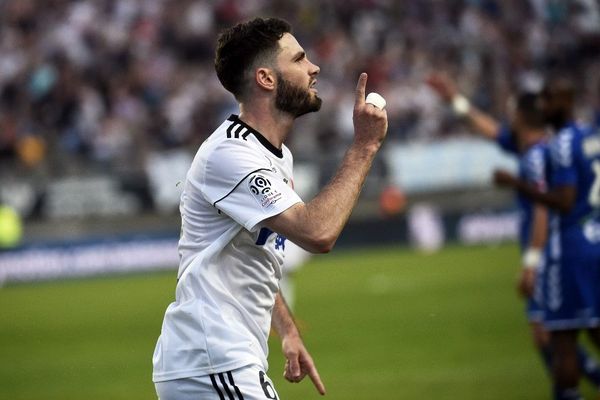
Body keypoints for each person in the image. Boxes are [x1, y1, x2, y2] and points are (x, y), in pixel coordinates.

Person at [152, 17, 388, 400]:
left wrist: (288, 330)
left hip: (216, 361)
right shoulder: (231, 154)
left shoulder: (273, 156)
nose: (314, 68)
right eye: (299, 59)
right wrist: (364, 147)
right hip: (212, 360)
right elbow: (317, 233)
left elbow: (257, 253)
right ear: (266, 79)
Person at [427, 74, 600, 397]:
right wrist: (455, 100)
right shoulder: (540, 147)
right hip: (579, 248)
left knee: (554, 334)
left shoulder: (536, 157)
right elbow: (488, 129)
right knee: (570, 330)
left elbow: (543, 211)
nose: (507, 119)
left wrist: (533, 262)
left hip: (557, 257)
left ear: (521, 117)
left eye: (512, 113)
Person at [494, 78, 600, 400]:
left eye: (550, 98)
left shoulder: (559, 145)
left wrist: (516, 184)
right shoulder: (587, 136)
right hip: (594, 236)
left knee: (560, 338)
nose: (544, 104)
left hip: (568, 249)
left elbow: (556, 203)